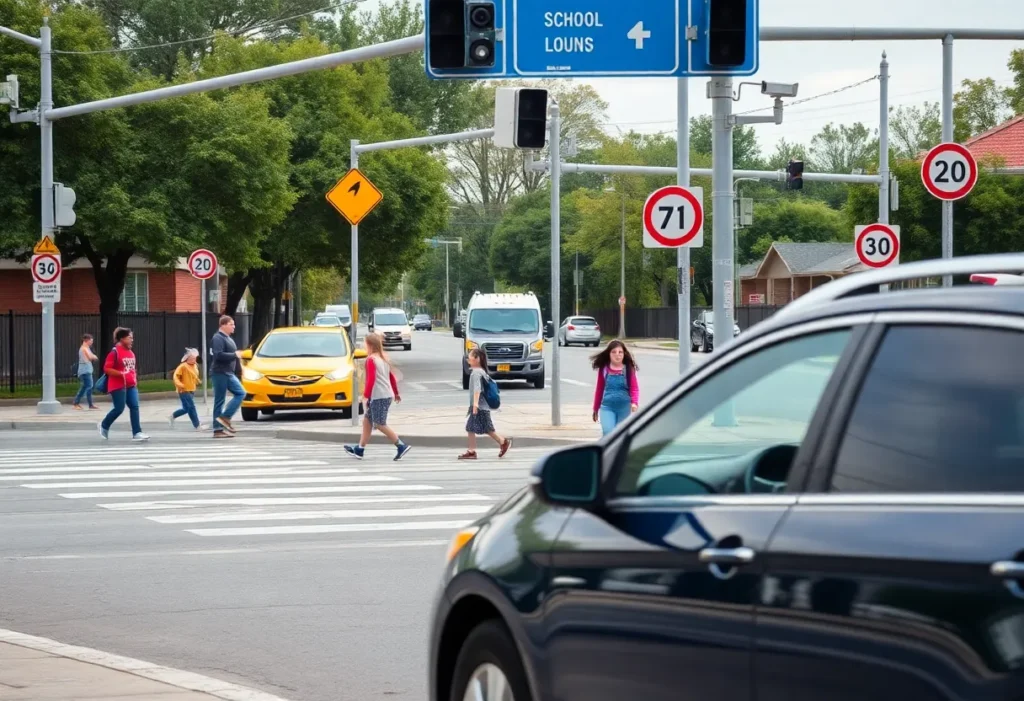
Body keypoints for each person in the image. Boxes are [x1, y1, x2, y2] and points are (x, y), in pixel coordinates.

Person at [344, 332, 411, 461]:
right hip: (385, 395)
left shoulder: (371, 360)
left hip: (379, 396)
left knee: (379, 424)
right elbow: (391, 377)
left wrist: (365, 396)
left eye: (365, 344)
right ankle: (360, 448)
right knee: (367, 421)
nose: (364, 346)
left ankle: (400, 445)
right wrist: (396, 393)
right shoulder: (382, 359)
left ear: (369, 345)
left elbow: (371, 379)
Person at [459, 347, 512, 460]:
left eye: (470, 357)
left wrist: (475, 405)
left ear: (477, 359)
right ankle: (502, 442)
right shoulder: (482, 371)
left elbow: (477, 389)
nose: (468, 360)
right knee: (485, 428)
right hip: (482, 406)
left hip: (480, 406)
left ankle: (473, 451)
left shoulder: (476, 373)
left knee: (472, 427)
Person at [98, 327, 149, 441]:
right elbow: (107, 368)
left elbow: (131, 368)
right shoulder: (114, 352)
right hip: (117, 385)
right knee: (119, 409)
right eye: (129, 338)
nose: (132, 340)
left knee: (134, 407)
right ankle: (104, 425)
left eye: (132, 338)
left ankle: (137, 432)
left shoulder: (131, 352)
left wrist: (134, 378)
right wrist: (121, 373)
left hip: (131, 385)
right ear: (122, 339)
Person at [591, 339, 640, 436]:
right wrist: (595, 409)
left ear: (624, 354)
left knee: (619, 435)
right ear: (609, 354)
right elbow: (599, 389)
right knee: (608, 432)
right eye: (613, 352)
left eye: (620, 352)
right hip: (607, 407)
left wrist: (634, 402)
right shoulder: (604, 369)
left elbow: (634, 388)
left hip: (624, 408)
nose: (617, 355)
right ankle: (605, 450)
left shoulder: (628, 369)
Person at [211, 315, 245, 438]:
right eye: (231, 324)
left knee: (241, 393)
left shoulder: (227, 338)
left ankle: (225, 418)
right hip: (220, 373)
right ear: (223, 325)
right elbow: (218, 355)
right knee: (219, 401)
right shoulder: (218, 338)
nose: (234, 326)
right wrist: (234, 354)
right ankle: (217, 429)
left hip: (228, 373)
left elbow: (231, 356)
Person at [170, 348, 204, 431]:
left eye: (194, 358)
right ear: (187, 359)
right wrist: (180, 384)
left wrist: (198, 381)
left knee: (186, 408)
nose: (193, 360)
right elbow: (175, 377)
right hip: (184, 390)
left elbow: (194, 376)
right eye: (192, 358)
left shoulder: (195, 366)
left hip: (191, 389)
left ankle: (173, 416)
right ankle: (197, 425)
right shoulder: (183, 366)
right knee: (191, 407)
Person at [73, 334, 99, 411]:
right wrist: (93, 356)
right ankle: (83, 403)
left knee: (85, 387)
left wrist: (93, 356)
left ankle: (79, 403)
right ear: (86, 341)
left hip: (87, 370)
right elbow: (91, 357)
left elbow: (92, 356)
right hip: (84, 371)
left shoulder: (87, 348)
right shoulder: (84, 349)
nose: (92, 343)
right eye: (91, 341)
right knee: (89, 386)